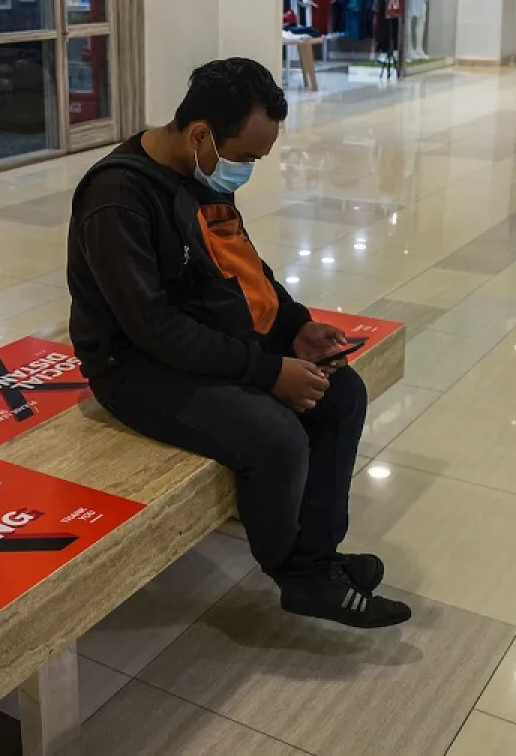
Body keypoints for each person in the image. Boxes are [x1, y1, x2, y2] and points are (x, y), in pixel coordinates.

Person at [67, 58, 411, 630]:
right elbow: (152, 329)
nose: (247, 170)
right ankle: (299, 576)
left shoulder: (199, 175)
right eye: (247, 157)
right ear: (202, 133)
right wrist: (266, 370)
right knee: (275, 438)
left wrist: (294, 325)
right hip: (133, 366)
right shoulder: (119, 199)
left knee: (342, 393)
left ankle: (316, 557)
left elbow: (243, 263)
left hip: (202, 339)